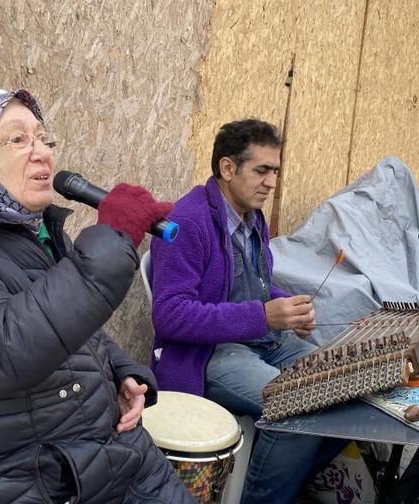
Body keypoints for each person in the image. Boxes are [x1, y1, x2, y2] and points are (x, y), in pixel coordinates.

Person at [0, 88, 196, 504]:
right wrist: (112, 238)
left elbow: (71, 326)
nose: (42, 153)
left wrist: (120, 372)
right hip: (14, 478)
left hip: (101, 452)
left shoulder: (30, 231)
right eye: (18, 139)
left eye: (42, 137)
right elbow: (2, 348)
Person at [149, 119, 344, 504]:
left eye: (275, 171)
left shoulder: (251, 216)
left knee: (343, 388)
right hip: (207, 354)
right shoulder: (186, 222)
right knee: (296, 404)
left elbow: (253, 284)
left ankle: (288, 482)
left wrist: (288, 307)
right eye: (261, 170)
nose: (271, 182)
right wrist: (263, 316)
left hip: (263, 342)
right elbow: (169, 315)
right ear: (228, 168)